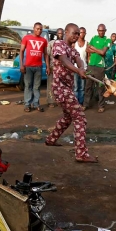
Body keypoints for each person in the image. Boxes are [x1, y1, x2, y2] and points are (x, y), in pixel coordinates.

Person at [45, 23, 98, 164]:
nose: (76, 36)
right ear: (66, 32)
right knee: (80, 118)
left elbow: (78, 59)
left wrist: (82, 68)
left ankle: (51, 139)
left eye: (78, 34)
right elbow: (64, 60)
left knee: (68, 117)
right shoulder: (58, 45)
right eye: (74, 33)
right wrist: (78, 70)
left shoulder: (72, 49)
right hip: (60, 88)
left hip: (66, 89)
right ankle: (81, 153)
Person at [19, 22, 49, 112]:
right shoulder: (26, 38)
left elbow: (46, 54)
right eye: (37, 29)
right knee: (28, 86)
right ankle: (27, 105)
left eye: (40, 29)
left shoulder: (43, 41)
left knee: (37, 86)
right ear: (33, 28)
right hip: (28, 66)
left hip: (38, 67)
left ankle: (36, 104)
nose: (39, 31)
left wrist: (48, 66)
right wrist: (21, 65)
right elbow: (21, 51)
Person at [83, 24, 110, 113]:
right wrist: (97, 50)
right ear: (97, 30)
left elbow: (103, 52)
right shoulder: (94, 38)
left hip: (100, 67)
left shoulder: (107, 40)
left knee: (100, 87)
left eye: (102, 31)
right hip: (91, 65)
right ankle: (86, 104)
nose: (101, 32)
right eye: (99, 30)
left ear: (105, 31)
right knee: (88, 86)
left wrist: (93, 48)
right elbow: (87, 50)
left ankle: (101, 106)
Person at [46, 28, 62, 109]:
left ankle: (59, 101)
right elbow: (47, 56)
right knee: (51, 85)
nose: (60, 35)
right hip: (53, 67)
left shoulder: (65, 44)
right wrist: (48, 67)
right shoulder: (51, 43)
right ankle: (50, 101)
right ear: (56, 34)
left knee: (60, 86)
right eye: (59, 33)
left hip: (62, 69)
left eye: (61, 33)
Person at [73, 26, 88, 105]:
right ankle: (75, 102)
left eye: (84, 32)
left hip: (84, 68)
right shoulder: (74, 44)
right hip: (75, 68)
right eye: (81, 32)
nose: (82, 34)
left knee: (82, 87)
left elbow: (88, 56)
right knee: (75, 87)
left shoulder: (86, 43)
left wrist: (87, 67)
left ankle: (81, 102)